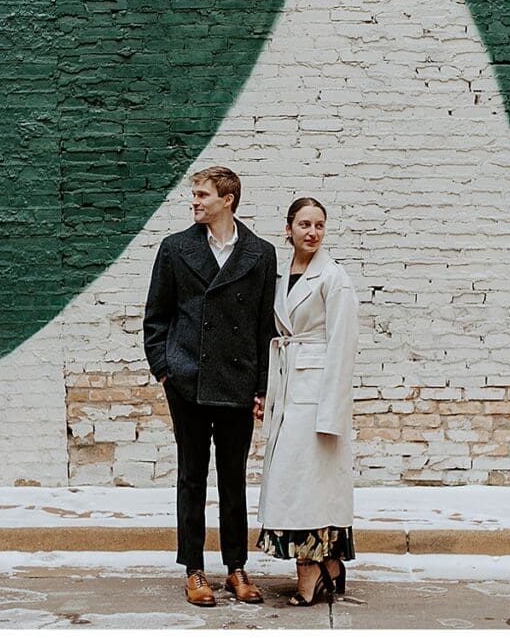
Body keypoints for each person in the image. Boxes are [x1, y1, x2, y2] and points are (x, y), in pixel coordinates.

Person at [143, 166, 278, 607]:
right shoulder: (175, 248)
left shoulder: (260, 253)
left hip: (237, 382)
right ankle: (194, 569)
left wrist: (262, 386)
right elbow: (156, 318)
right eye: (195, 195)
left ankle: (237, 567)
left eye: (203, 195)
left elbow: (264, 329)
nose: (195, 201)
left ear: (228, 199)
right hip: (188, 382)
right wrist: (166, 369)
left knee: (234, 480)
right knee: (191, 477)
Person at [255, 197, 359, 606]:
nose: (312, 232)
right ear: (289, 229)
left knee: (308, 487)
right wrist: (265, 392)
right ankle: (329, 564)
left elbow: (342, 347)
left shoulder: (334, 278)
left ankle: (312, 570)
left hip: (316, 396)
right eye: (304, 224)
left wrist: (331, 413)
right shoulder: (283, 277)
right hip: (289, 388)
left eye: (318, 225)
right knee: (293, 483)